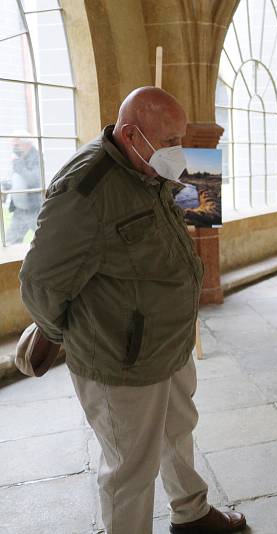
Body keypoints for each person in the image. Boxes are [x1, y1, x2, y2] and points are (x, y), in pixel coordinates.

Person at [19, 87, 246, 534]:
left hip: (169, 342)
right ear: (129, 134)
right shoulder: (87, 190)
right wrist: (58, 333)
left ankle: (192, 513)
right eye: (167, 141)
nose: (176, 151)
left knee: (178, 429)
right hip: (121, 357)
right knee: (129, 470)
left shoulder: (146, 167)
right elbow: (41, 282)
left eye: (179, 139)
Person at [3, 134, 42, 244]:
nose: (14, 148)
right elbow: (20, 180)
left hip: (33, 209)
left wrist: (18, 165)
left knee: (44, 239)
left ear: (27, 143)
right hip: (20, 209)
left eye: (17, 144)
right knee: (10, 242)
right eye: (13, 145)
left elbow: (34, 180)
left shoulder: (36, 158)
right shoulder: (20, 158)